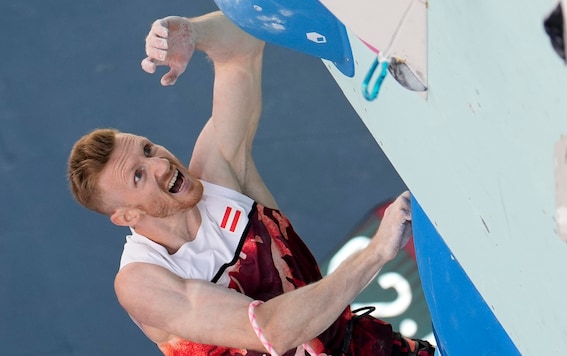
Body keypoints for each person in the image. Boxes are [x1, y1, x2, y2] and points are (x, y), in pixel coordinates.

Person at [67, 11, 435, 356]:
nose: (161, 164)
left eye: (147, 149)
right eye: (138, 175)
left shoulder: (218, 170)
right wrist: (376, 253)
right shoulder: (142, 282)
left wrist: (194, 33)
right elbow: (272, 331)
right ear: (125, 215)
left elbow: (243, 45)